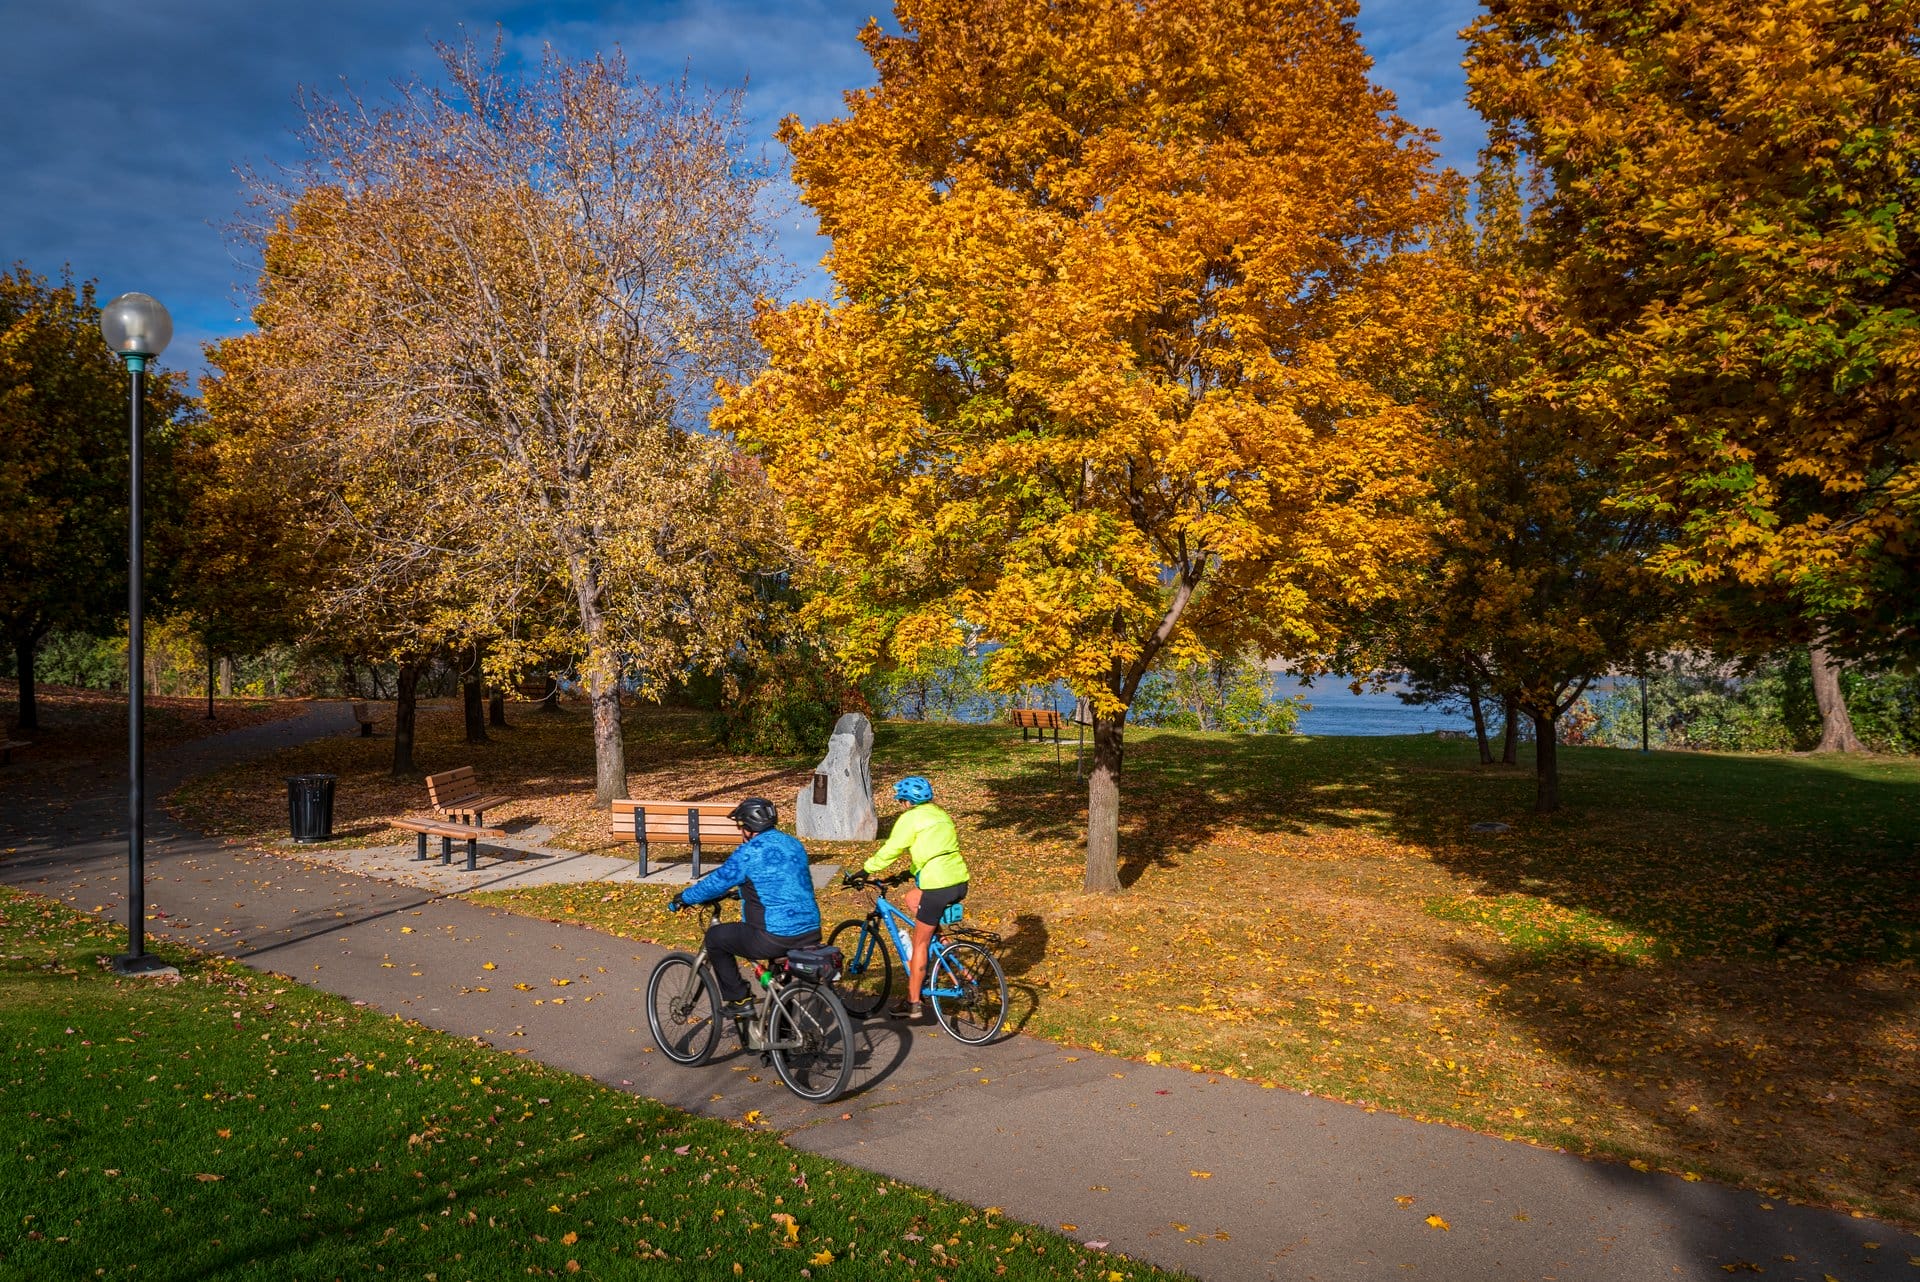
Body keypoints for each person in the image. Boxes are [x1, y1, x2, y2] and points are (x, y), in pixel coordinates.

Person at [669, 797, 821, 1039]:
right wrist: (742, 891)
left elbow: (716, 882)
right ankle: (780, 1038)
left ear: (749, 827)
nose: (740, 832)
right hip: (810, 929)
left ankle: (738, 999)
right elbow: (778, 880)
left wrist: (684, 898)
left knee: (716, 937)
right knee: (780, 978)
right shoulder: (793, 844)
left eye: (741, 827)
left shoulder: (749, 853)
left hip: (774, 935)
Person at [856, 775, 968, 1019]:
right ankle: (952, 958)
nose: (901, 805)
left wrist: (865, 870)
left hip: (937, 886)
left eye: (901, 801)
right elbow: (936, 851)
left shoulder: (910, 818)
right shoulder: (941, 815)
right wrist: (908, 873)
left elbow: (892, 849)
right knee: (911, 899)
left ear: (907, 802)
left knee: (920, 943)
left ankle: (913, 1002)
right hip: (958, 880)